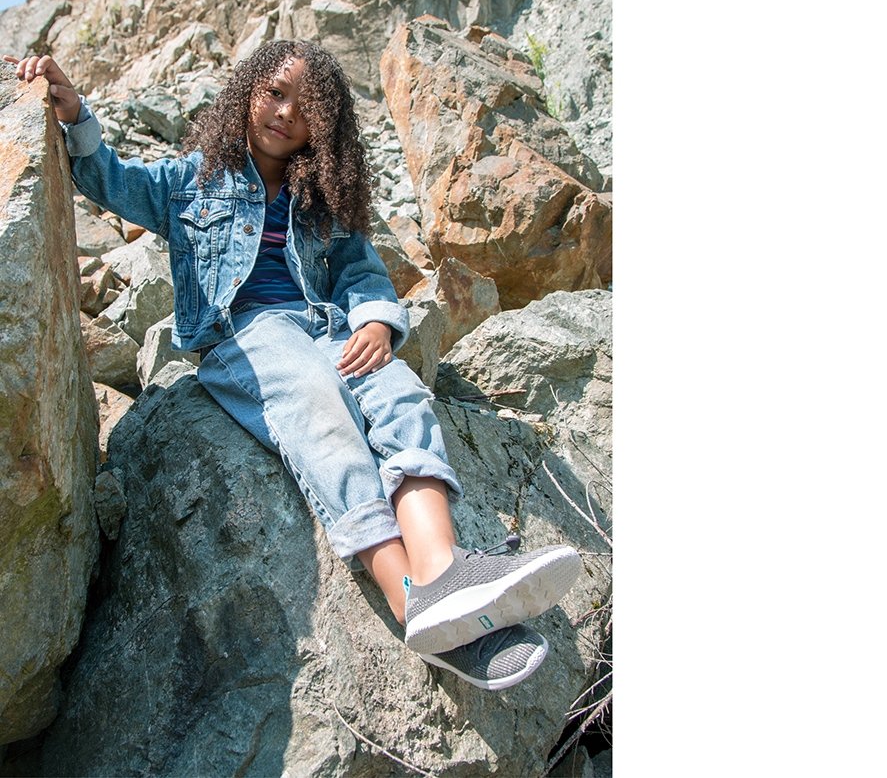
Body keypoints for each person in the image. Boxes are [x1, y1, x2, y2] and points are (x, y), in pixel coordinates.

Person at [5, 41, 582, 692]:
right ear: (247, 90)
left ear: (323, 127)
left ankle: (445, 567)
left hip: (329, 327)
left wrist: (373, 321)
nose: (284, 112)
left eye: (305, 107)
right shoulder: (191, 182)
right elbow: (108, 177)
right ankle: (409, 597)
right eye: (273, 92)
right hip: (247, 336)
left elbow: (361, 272)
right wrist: (74, 108)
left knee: (398, 394)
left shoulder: (321, 199)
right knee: (317, 408)